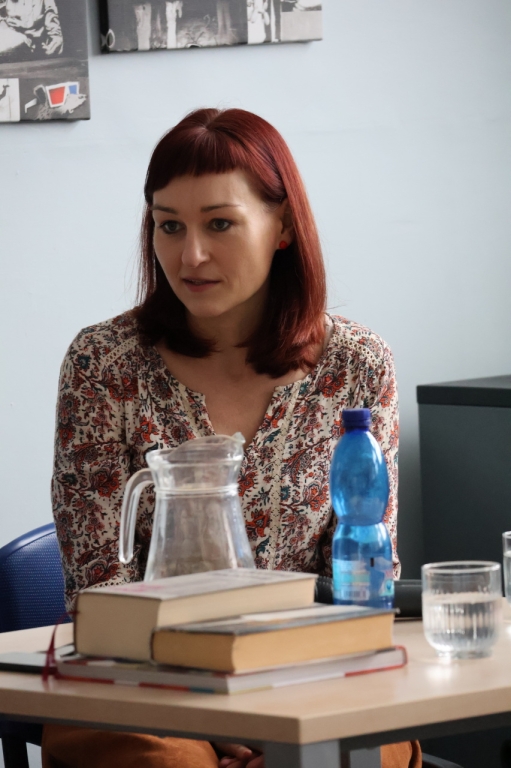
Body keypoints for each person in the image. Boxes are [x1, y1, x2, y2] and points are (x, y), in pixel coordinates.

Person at [45, 108, 419, 768]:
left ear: (282, 227)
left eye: (219, 223)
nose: (190, 255)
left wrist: (279, 713)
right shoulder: (103, 364)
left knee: (350, 754)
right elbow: (97, 593)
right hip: (146, 689)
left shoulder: (357, 365)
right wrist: (215, 719)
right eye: (169, 226)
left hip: (315, 676)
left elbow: (363, 575)